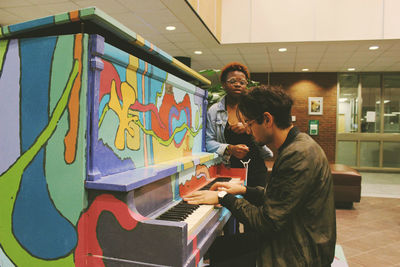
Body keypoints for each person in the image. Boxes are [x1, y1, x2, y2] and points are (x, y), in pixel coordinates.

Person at [184, 85, 336, 266]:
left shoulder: (297, 154)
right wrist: (245, 190)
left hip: (301, 253)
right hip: (294, 235)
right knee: (219, 247)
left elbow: (266, 221)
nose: (248, 131)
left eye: (249, 123)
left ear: (267, 119)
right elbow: (282, 198)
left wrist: (222, 197)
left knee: (222, 256)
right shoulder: (298, 144)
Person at [206, 62, 273, 188]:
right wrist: (230, 149)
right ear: (224, 85)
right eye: (232, 81)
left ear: (246, 85)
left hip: (256, 168)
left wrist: (249, 128)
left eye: (242, 82)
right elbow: (208, 142)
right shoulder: (214, 111)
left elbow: (268, 134)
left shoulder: (255, 108)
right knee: (231, 204)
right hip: (228, 169)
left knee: (256, 203)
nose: (237, 84)